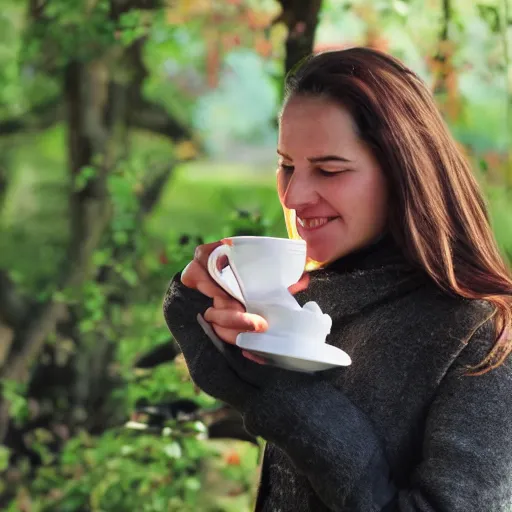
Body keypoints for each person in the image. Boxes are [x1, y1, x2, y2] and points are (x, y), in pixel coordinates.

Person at [162, 47, 512, 511]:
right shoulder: (319, 300)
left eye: (328, 169)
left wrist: (298, 407)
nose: (293, 195)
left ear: (402, 173)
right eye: (286, 165)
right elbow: (230, 374)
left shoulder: (482, 338)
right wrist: (196, 294)